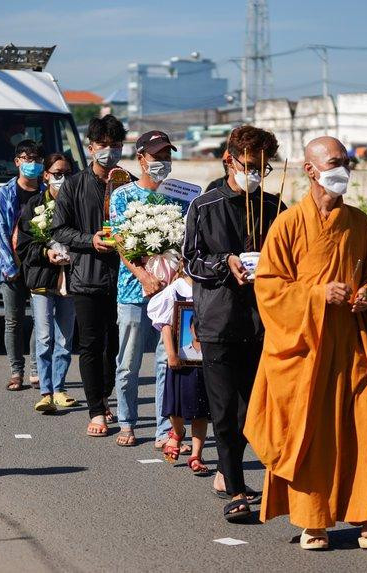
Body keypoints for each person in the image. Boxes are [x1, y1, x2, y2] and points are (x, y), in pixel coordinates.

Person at [244, 136, 367, 551]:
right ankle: (313, 523)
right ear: (311, 170)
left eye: (346, 163)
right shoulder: (288, 225)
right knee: (311, 437)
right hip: (307, 351)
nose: (343, 170)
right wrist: (317, 295)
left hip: (355, 347)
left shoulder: (360, 224)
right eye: (335, 162)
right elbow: (268, 288)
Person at [182, 125, 280, 522]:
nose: (255, 174)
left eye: (263, 167)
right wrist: (227, 263)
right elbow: (191, 260)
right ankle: (236, 489)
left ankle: (230, 471)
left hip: (264, 323)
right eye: (249, 165)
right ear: (229, 160)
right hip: (218, 320)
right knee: (223, 410)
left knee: (250, 411)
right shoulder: (204, 206)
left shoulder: (276, 208)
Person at [51, 114, 130, 438]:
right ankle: (97, 409)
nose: (108, 152)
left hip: (125, 279)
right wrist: (90, 240)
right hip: (87, 278)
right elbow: (59, 229)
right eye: (103, 146)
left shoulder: (129, 184)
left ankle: (105, 393)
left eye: (115, 146)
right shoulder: (74, 185)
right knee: (90, 345)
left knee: (116, 346)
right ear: (91, 147)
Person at [108, 130, 184, 447]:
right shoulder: (122, 196)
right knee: (129, 362)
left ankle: (164, 429)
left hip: (170, 294)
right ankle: (127, 421)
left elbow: (184, 243)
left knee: (167, 360)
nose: (163, 163)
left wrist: (175, 276)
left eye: (167, 157)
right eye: (157, 157)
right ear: (141, 159)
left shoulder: (179, 196)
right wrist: (143, 275)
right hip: (133, 292)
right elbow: (122, 242)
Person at [16, 153, 79, 413]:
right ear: (46, 175)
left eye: (66, 173)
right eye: (56, 173)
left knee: (65, 338)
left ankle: (60, 389)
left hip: (71, 279)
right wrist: (46, 252)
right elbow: (23, 246)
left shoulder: (77, 205)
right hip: (42, 279)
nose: (61, 179)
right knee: (44, 336)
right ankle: (45, 390)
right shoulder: (33, 206)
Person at [147, 272, 210, 475]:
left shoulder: (210, 287)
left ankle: (196, 455)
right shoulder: (176, 289)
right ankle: (178, 431)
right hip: (179, 360)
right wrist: (172, 354)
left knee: (201, 411)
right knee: (176, 407)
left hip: (205, 361)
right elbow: (166, 326)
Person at [0, 139, 42, 391]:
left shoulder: (47, 191)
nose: (32, 163)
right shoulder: (4, 194)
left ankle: (36, 370)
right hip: (12, 265)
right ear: (17, 162)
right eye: (27, 158)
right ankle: (16, 371)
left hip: (40, 265)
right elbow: (1, 232)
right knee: (13, 321)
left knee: (40, 320)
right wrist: (10, 266)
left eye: (36, 158)